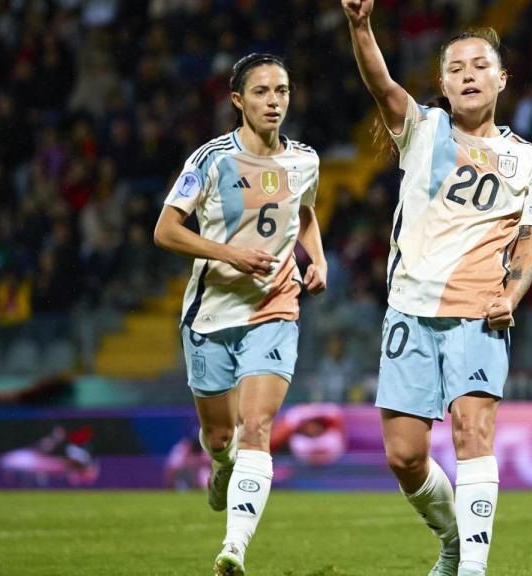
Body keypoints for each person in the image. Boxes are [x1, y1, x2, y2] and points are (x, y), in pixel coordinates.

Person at [342, 3, 532, 575]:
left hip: (478, 314)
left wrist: (511, 295)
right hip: (409, 312)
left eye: (480, 66)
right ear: (442, 82)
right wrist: (360, 27)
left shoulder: (527, 161)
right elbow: (381, 83)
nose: (468, 75)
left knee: (473, 431)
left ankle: (473, 569)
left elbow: (529, 243)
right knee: (405, 456)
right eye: (456, 68)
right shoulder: (423, 129)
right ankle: (454, 542)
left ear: (501, 79)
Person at [153, 52, 327, 576]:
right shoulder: (210, 160)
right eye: (261, 92)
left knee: (256, 426)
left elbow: (305, 211)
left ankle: (234, 548)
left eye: (282, 91)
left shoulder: (305, 160)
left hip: (274, 307)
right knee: (220, 438)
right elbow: (165, 230)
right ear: (237, 100)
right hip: (211, 315)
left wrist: (317, 259)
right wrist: (229, 254)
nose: (274, 101)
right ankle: (221, 465)